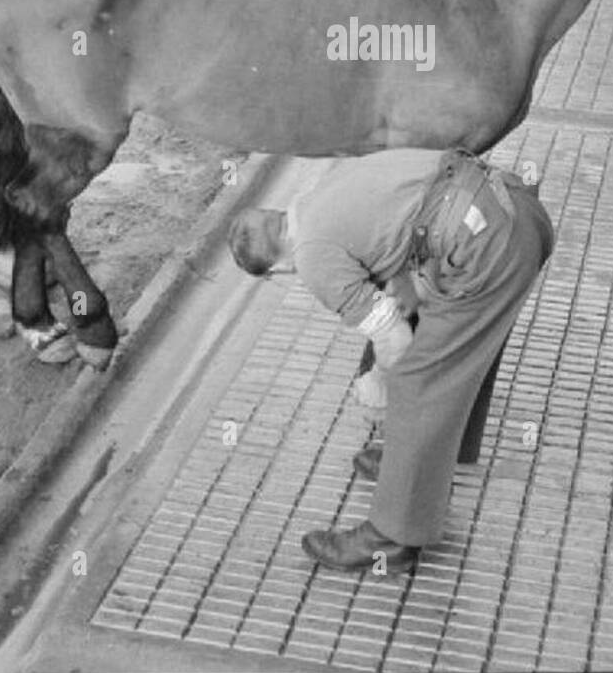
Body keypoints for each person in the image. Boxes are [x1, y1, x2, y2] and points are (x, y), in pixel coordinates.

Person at [227, 148, 554, 574]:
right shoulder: (323, 191)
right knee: (452, 347)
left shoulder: (310, 257)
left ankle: (392, 538)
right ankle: (422, 456)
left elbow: (395, 338)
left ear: (276, 272)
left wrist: (379, 385)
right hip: (512, 210)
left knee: (417, 380)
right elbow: (406, 252)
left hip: (489, 243)